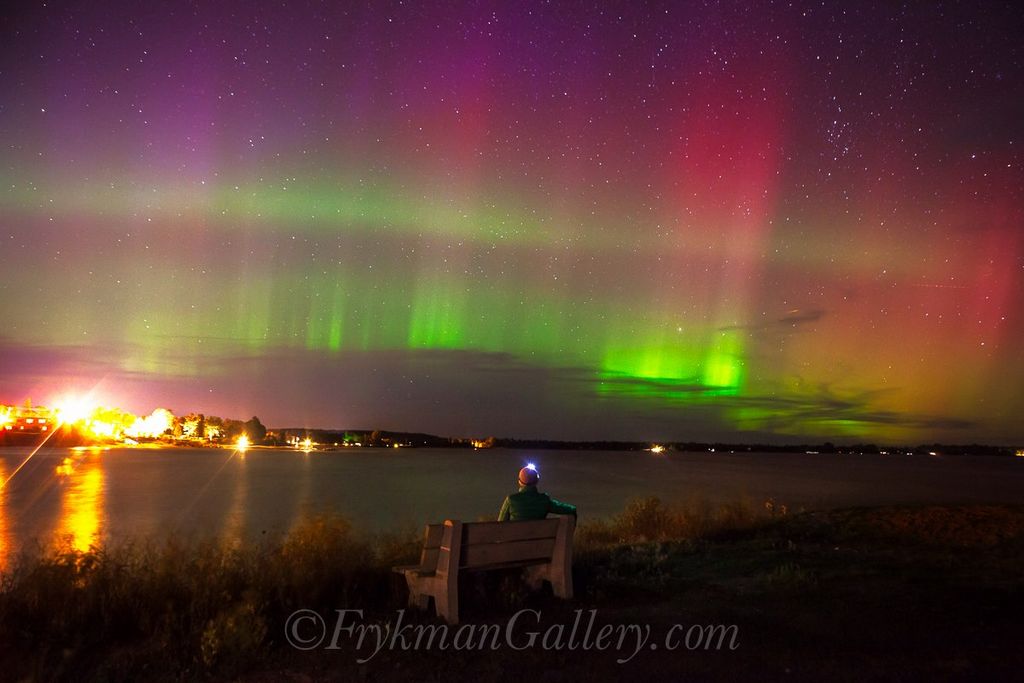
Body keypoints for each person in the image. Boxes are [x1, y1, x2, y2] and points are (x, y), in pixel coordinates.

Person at [497, 464, 576, 521]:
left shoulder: (511, 500)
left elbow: (500, 526)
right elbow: (571, 510)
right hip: (540, 544)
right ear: (537, 481)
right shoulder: (544, 500)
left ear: (519, 482)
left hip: (514, 544)